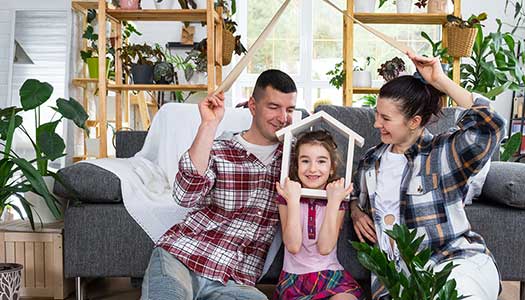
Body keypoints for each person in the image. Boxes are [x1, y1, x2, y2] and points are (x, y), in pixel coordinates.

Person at [350, 52, 505, 300]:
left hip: (453, 263)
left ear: (414, 121)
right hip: (399, 279)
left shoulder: (443, 154)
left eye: (386, 118)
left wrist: (440, 81)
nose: (377, 124)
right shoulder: (370, 161)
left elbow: (490, 124)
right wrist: (356, 211)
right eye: (377, 114)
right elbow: (355, 196)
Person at [141, 69, 297, 300]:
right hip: (184, 256)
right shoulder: (221, 148)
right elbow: (185, 195)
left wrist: (355, 210)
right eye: (273, 107)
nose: (283, 118)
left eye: (290, 109)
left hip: (236, 280)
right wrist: (208, 125)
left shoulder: (294, 161)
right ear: (252, 106)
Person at [273, 130, 363, 300]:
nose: (312, 169)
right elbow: (293, 246)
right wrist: (292, 201)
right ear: (296, 165)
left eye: (321, 161)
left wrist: (334, 202)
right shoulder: (287, 196)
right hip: (294, 279)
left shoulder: (337, 198)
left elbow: (325, 247)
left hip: (329, 275)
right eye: (305, 161)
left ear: (331, 169)